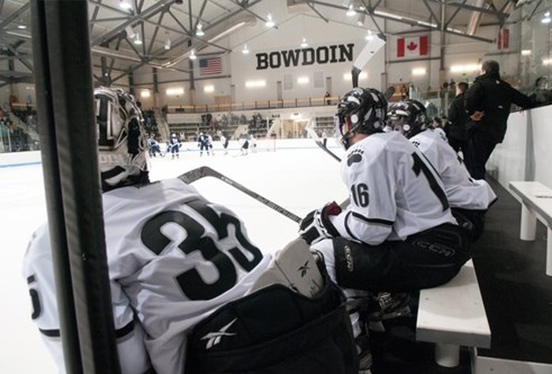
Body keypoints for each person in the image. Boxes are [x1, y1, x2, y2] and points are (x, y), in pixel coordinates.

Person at [23, 87, 358, 374]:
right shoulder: (181, 191)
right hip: (318, 338)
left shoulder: (61, 239)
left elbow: (121, 363)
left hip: (239, 360)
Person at [298, 87, 471, 371]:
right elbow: (382, 216)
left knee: (325, 255)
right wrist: (339, 221)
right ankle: (382, 305)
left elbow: (371, 231)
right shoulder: (395, 141)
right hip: (446, 245)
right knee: (347, 249)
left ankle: (355, 350)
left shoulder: (364, 152)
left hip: (428, 254)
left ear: (352, 120)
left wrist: (328, 223)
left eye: (343, 118)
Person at [388, 99, 497, 242]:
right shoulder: (428, 137)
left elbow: (412, 189)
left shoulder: (422, 146)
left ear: (411, 123)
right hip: (466, 207)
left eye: (398, 125)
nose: (395, 130)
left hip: (462, 215)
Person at [464, 59, 533, 179]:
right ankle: (480, 191)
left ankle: (480, 194)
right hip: (497, 131)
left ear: (483, 70)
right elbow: (526, 101)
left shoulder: (480, 84)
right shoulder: (506, 87)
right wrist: (523, 106)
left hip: (480, 128)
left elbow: (468, 101)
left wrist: (471, 113)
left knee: (475, 165)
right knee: (480, 163)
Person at [447, 81, 470, 155]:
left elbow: (451, 117)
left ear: (459, 90)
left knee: (453, 155)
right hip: (469, 133)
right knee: (468, 156)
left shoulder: (456, 101)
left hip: (456, 133)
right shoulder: (472, 100)